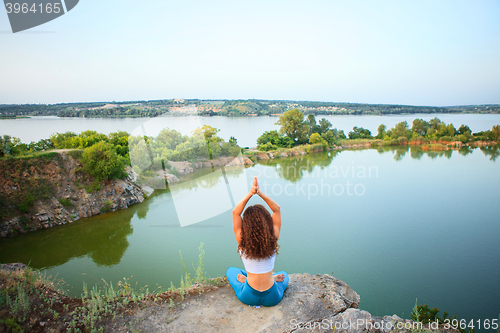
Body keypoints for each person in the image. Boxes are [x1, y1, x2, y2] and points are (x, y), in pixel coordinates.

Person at [226, 177, 289, 307]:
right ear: (266, 222)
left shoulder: (242, 241)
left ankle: (248, 279)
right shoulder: (273, 239)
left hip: (248, 296)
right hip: (272, 297)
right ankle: (273, 278)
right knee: (285, 275)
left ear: (246, 225)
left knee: (232, 271)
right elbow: (276, 209)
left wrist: (250, 193)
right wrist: (259, 193)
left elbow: (235, 212)